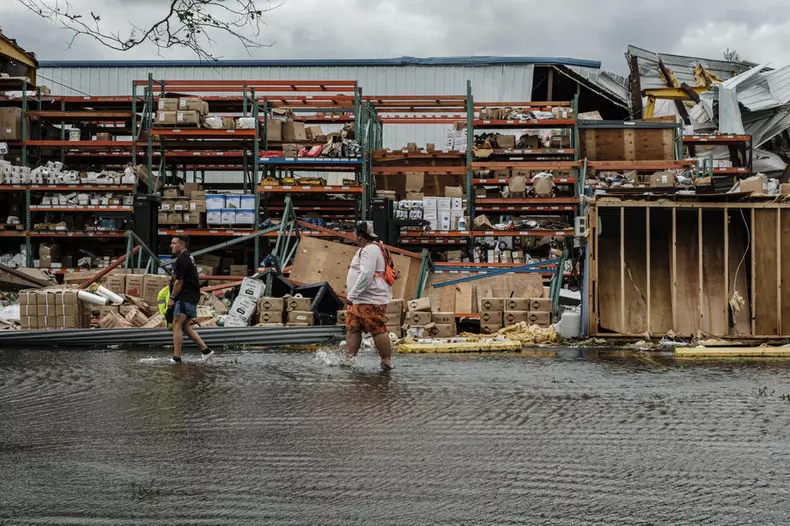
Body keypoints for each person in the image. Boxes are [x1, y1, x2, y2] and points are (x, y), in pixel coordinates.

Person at [344, 221, 394, 371]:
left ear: (360, 236)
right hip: (361, 299)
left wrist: (351, 295)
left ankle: (387, 362)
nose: (353, 236)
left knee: (377, 329)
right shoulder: (370, 249)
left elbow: (366, 274)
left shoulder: (369, 250)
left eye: (354, 233)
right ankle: (349, 360)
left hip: (369, 299)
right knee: (353, 328)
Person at [167, 236, 214, 363]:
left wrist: (172, 298)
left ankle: (176, 358)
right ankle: (206, 350)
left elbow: (179, 282)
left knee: (176, 324)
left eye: (174, 243)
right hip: (192, 295)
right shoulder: (189, 257)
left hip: (185, 296)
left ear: (182, 245)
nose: (171, 245)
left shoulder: (182, 259)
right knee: (185, 326)